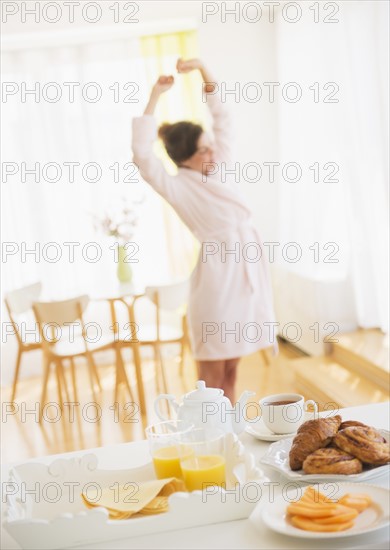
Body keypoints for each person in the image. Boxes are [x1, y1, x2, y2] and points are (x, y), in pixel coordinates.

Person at [132, 58, 276, 402]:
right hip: (216, 284)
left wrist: (204, 70)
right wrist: (155, 96)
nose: (213, 150)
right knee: (212, 380)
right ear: (185, 158)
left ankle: (230, 441)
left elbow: (223, 119)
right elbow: (141, 154)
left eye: (211, 145)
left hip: (245, 278)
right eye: (203, 149)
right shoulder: (176, 185)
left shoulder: (218, 165)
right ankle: (210, 439)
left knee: (232, 372)